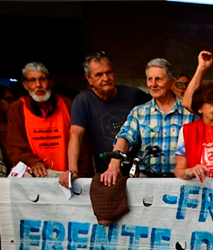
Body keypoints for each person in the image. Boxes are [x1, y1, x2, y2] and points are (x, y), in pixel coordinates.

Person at [59, 52, 150, 188]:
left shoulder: (133, 95)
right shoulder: (83, 101)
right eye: (99, 75)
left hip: (140, 174)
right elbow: (76, 135)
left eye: (108, 73)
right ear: (89, 79)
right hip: (106, 175)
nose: (106, 78)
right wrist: (72, 170)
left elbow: (159, 105)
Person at [101, 58, 195, 186]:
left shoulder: (188, 113)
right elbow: (124, 138)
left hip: (180, 183)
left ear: (172, 83)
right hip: (147, 183)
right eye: (150, 79)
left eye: (158, 79)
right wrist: (113, 165)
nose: (153, 84)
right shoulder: (139, 112)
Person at [6, 62, 72, 177]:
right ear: (25, 85)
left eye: (42, 79)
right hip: (35, 176)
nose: (38, 85)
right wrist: (33, 162)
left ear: (51, 82)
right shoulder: (17, 109)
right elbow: (15, 147)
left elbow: (81, 144)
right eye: (32, 80)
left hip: (67, 176)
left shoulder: (67, 105)